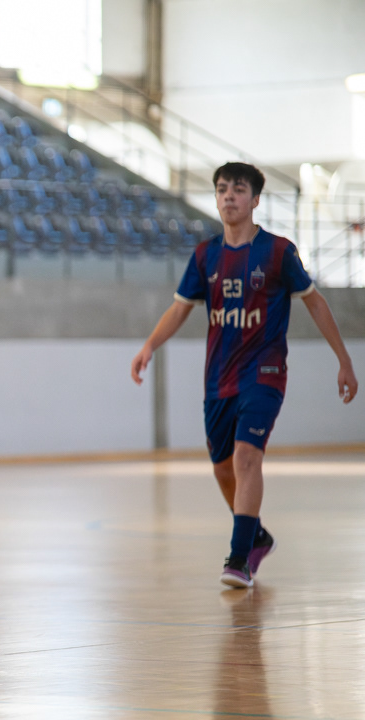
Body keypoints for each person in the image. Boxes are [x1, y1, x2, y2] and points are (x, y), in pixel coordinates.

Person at [131, 161, 358, 588]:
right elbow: (179, 308)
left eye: (238, 189)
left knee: (246, 457)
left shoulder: (278, 251)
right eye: (221, 189)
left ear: (255, 200)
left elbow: (315, 302)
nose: (228, 196)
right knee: (223, 470)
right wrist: (149, 346)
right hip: (219, 378)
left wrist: (343, 360)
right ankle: (257, 536)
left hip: (265, 372)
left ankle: (239, 559)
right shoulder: (206, 255)